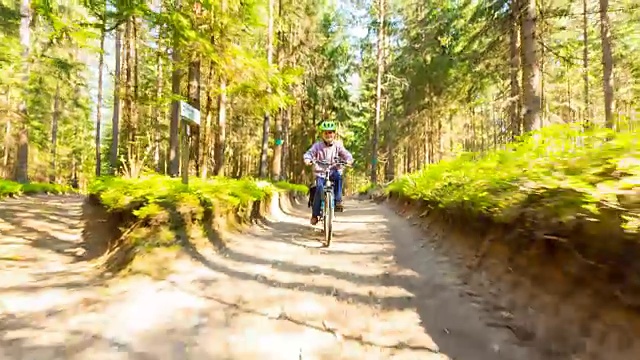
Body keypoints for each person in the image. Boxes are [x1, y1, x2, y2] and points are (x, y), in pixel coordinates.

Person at [303, 120, 354, 225]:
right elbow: (309, 153)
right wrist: (307, 159)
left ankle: (338, 200)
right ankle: (315, 215)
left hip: (333, 170)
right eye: (326, 132)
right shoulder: (317, 146)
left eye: (330, 132)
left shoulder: (338, 145)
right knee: (319, 189)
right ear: (322, 134)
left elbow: (346, 154)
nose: (328, 135)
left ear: (334, 134)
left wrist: (349, 160)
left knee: (339, 177)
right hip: (321, 172)